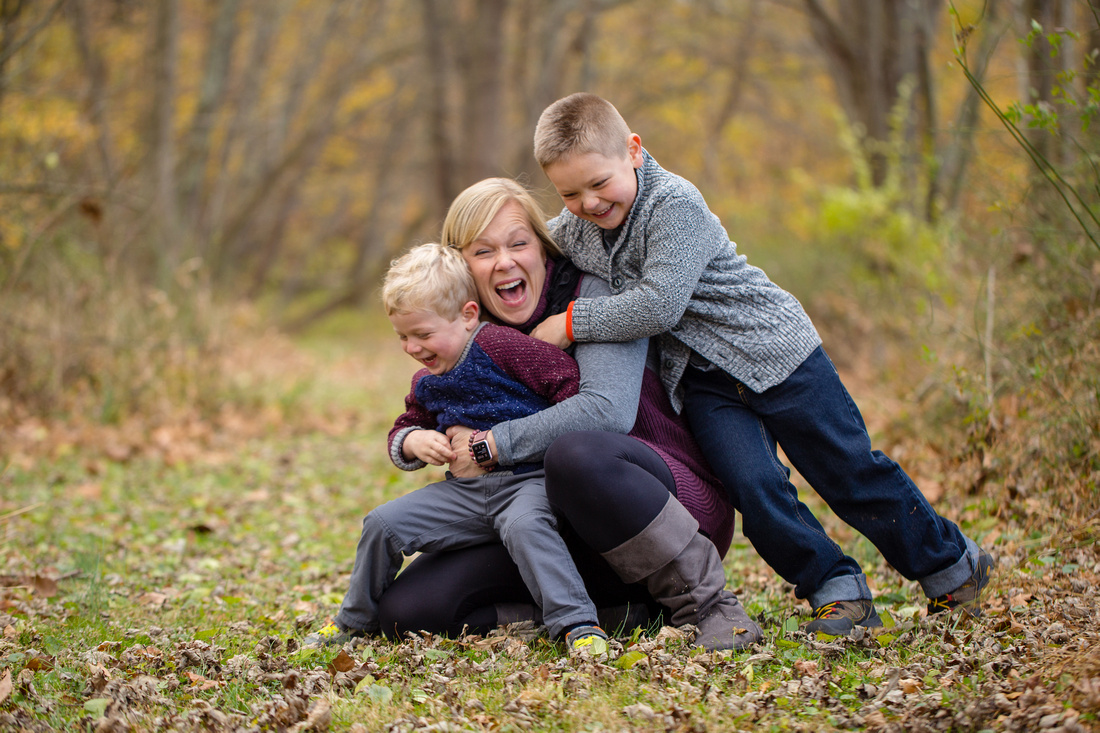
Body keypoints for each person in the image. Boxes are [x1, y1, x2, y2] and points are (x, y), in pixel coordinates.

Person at [527, 92, 993, 636]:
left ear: (633, 150)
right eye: (570, 193)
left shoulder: (673, 202)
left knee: (847, 472)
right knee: (754, 487)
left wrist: (571, 322)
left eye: (598, 184)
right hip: (703, 382)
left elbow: (660, 304)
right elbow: (529, 247)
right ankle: (836, 589)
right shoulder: (577, 226)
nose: (588, 203)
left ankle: (951, 566)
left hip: (777, 353)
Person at [376, 178, 763, 652]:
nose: (504, 262)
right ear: (462, 268)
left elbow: (605, 413)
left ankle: (708, 604)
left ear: (541, 246)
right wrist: (437, 441)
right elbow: (432, 420)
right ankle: (603, 611)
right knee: (406, 611)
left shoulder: (593, 292)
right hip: (543, 525)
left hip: (647, 504)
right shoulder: (467, 331)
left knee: (576, 453)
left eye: (518, 243)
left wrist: (490, 443)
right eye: (483, 251)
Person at [305, 242, 607, 653]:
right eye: (402, 337)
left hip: (526, 482)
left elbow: (569, 388)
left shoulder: (504, 347)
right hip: (464, 494)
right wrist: (413, 442)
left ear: (467, 316)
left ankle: (577, 624)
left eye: (423, 334)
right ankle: (353, 620)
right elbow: (407, 424)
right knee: (382, 523)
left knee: (525, 526)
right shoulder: (426, 380)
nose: (413, 348)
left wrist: (521, 441)